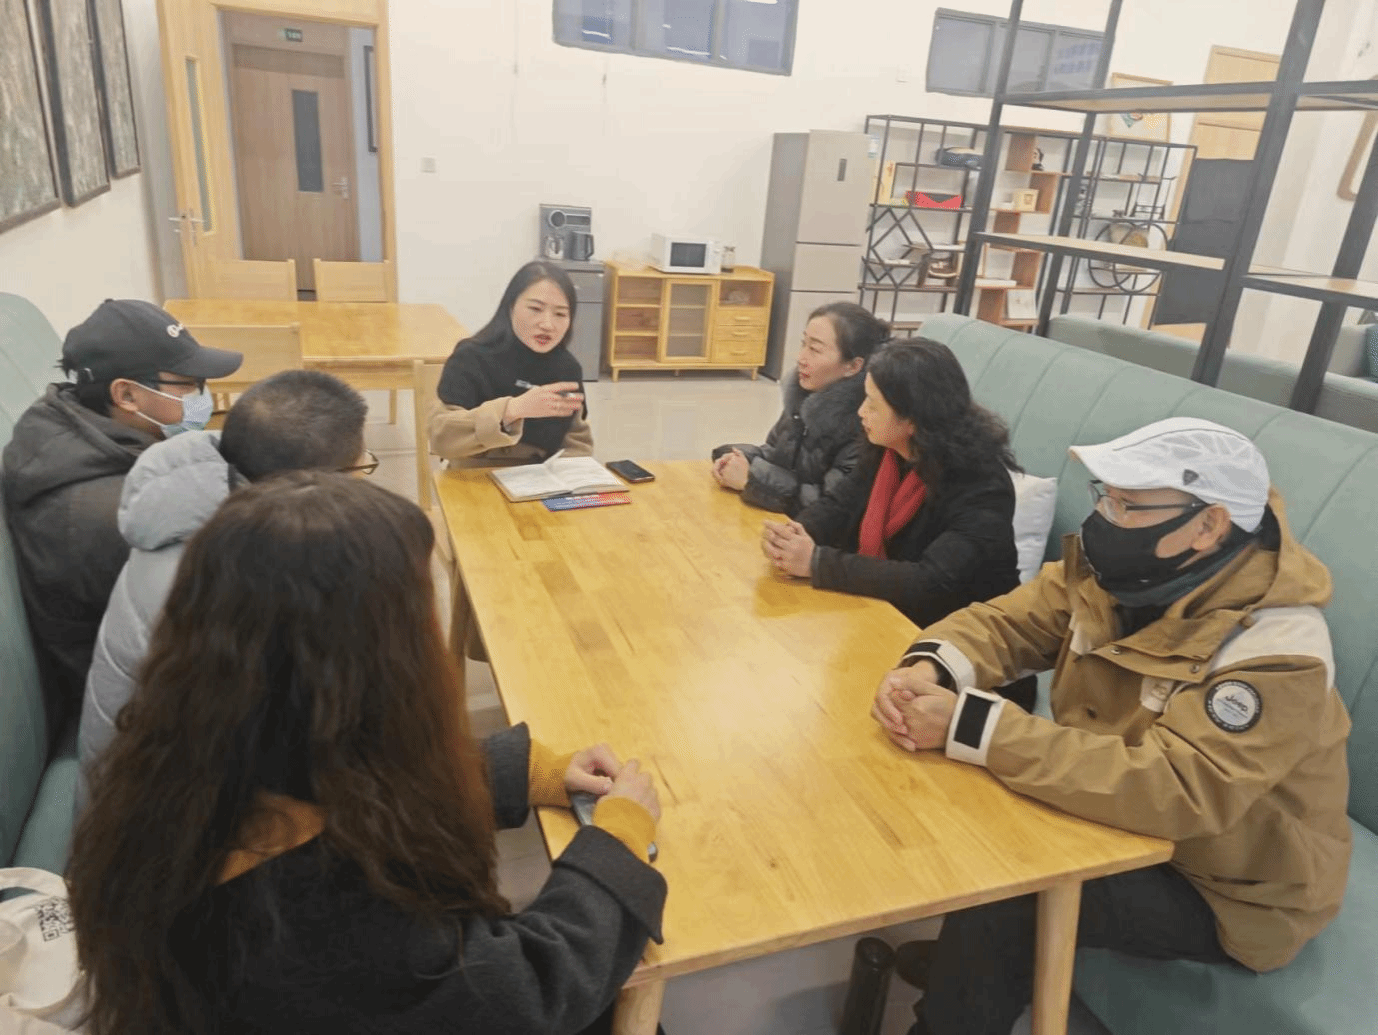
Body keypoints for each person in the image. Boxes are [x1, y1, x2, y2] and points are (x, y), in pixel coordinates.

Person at [67, 472, 664, 1035]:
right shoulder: (327, 922)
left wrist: (524, 772)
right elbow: (528, 991)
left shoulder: (187, 763)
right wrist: (615, 845)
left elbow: (358, 785)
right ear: (366, 670)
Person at [868, 418, 1351, 1035]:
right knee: (975, 817)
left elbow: (1177, 788)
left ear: (1209, 525)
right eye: (1106, 497)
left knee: (1011, 893)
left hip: (1226, 883)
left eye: (1129, 506)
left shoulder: (1278, 649)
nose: (1104, 519)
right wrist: (931, 666)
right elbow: (1009, 623)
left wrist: (976, 727)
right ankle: (969, 973)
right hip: (1121, 805)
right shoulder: (1130, 572)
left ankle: (954, 1007)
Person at [75, 370, 372, 817]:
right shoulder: (242, 585)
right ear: (311, 487)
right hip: (153, 827)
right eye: (359, 470)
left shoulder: (192, 498)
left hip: (136, 786)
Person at [1, 299, 241, 737]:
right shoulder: (110, 515)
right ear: (127, 395)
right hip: (140, 716)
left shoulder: (76, 428)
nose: (203, 399)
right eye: (189, 385)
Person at [760, 339, 1031, 708]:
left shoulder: (981, 485)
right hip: (886, 619)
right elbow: (838, 506)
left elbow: (929, 583)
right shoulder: (887, 451)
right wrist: (797, 534)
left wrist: (817, 562)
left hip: (957, 661)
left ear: (912, 419)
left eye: (873, 404)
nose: (861, 411)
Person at [711, 302, 887, 515]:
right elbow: (775, 453)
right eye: (804, 344)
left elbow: (831, 504)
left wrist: (752, 479)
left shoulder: (865, 422)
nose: (801, 358)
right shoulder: (805, 396)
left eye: (815, 349)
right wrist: (738, 458)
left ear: (853, 366)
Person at [430, 261, 592, 466]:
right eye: (535, 308)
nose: (547, 324)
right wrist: (512, 410)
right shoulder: (471, 357)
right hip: (473, 476)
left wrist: (569, 473)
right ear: (510, 307)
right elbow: (441, 438)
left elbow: (577, 442)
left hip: (539, 478)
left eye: (560, 314)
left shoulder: (567, 368)